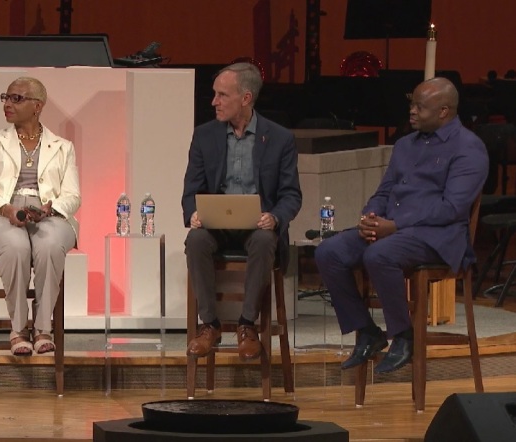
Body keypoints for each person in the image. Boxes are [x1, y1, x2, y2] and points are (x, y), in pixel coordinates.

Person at [315, 77, 488, 374]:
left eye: (420, 107)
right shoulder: (405, 145)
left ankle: (404, 337)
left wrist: (394, 226)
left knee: (379, 255)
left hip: (437, 236)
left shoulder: (469, 148)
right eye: (412, 104)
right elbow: (384, 192)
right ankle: (367, 331)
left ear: (444, 111)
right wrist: (370, 217)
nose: (412, 112)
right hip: (393, 230)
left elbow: (451, 208)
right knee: (329, 251)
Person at [182, 63, 302, 361]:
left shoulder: (280, 139)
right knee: (195, 240)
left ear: (245, 98)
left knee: (264, 240)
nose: (214, 102)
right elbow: (190, 190)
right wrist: (194, 213)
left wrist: (274, 217)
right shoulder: (205, 135)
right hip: (216, 228)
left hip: (256, 228)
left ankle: (247, 326)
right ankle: (209, 324)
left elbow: (291, 195)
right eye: (214, 94)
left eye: (222, 95)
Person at [0, 77, 80, 356]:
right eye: (6, 97)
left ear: (37, 106)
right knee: (15, 246)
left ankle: (43, 328)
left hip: (48, 213)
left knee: (51, 245)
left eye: (16, 98)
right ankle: (18, 328)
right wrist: (7, 210)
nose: (8, 104)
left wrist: (49, 209)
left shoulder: (62, 147)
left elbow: (73, 196)